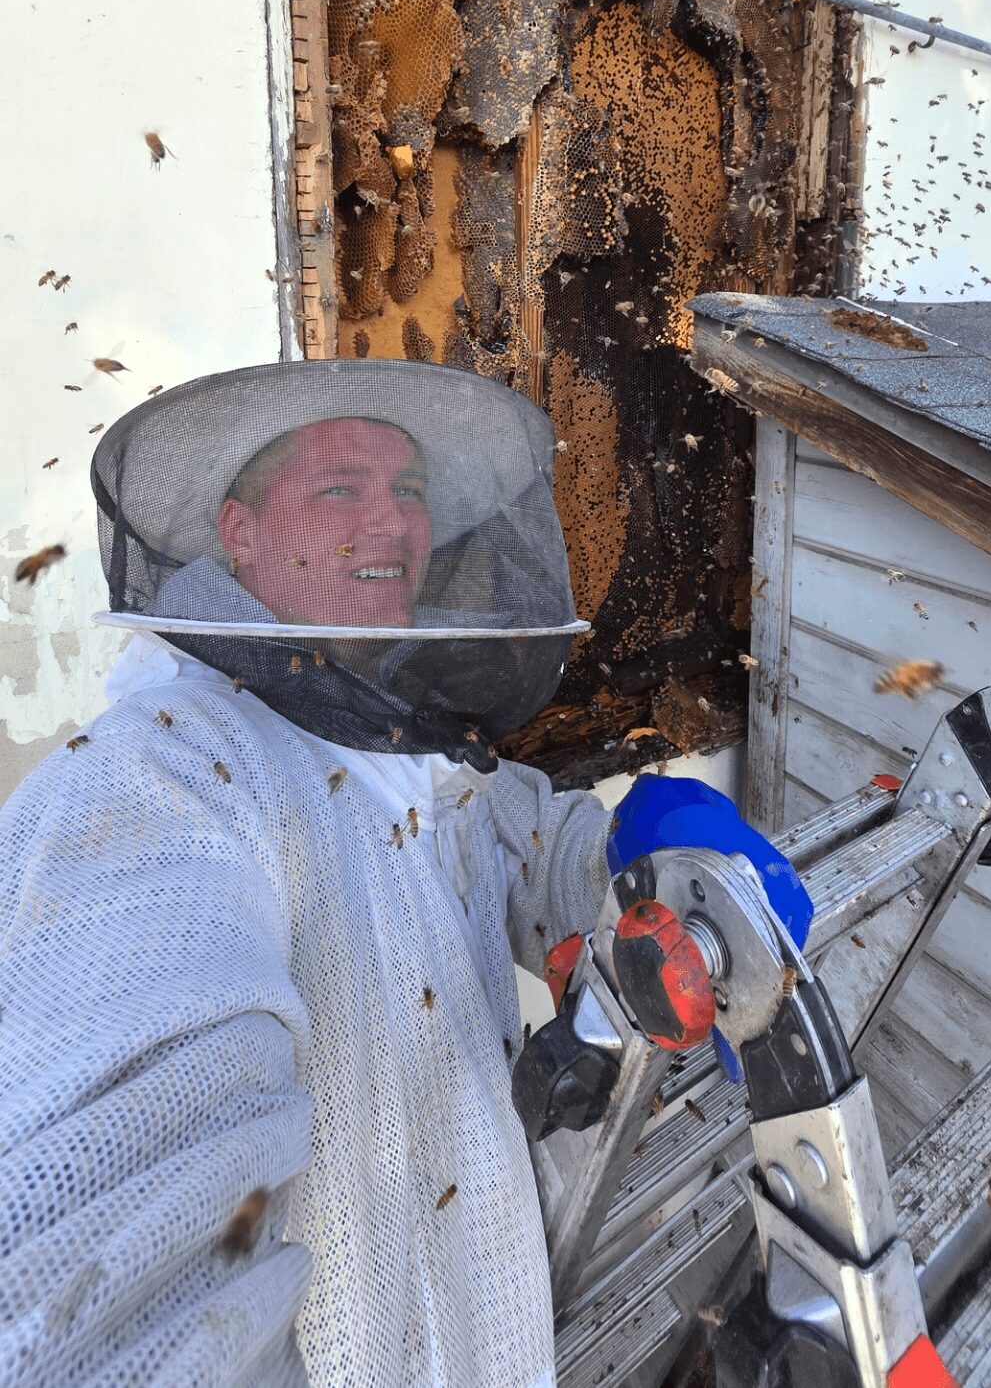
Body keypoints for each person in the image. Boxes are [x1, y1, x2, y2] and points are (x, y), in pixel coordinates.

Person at [0, 358, 810, 1387]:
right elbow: (103, 1226)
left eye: (411, 491)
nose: (392, 523)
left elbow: (525, 839)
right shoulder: (159, 779)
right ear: (238, 536)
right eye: (341, 486)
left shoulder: (397, 737)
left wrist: (647, 854)